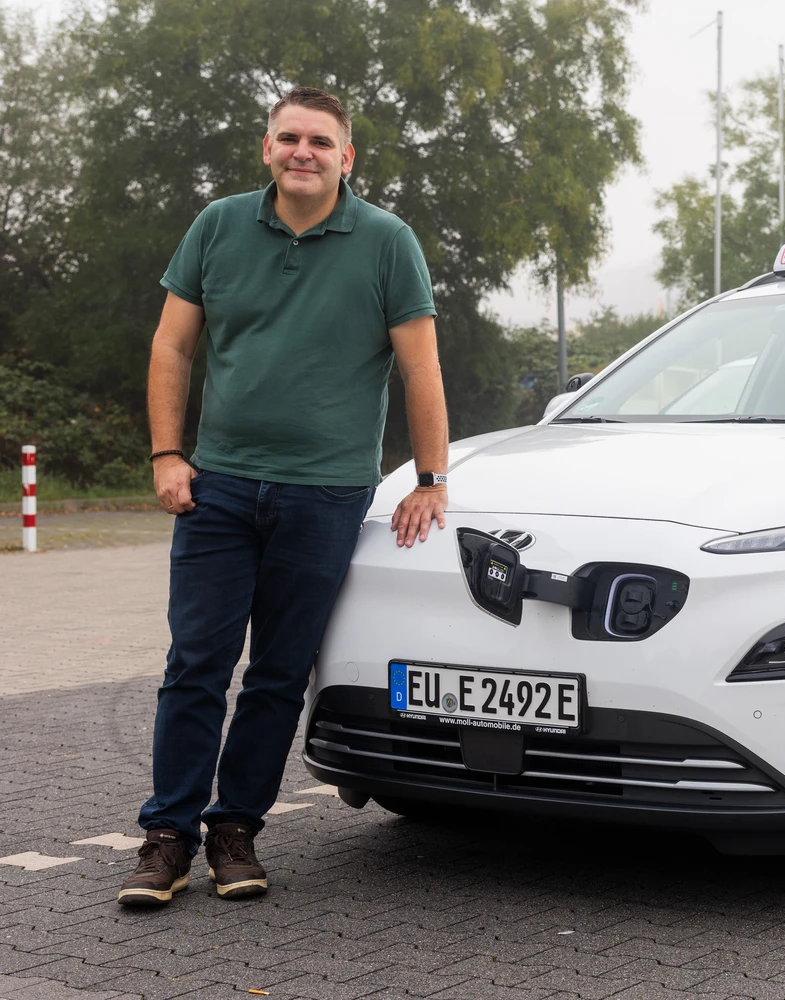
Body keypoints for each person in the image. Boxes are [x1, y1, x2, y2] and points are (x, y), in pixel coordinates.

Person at [118, 86, 449, 906]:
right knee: (195, 663)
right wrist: (167, 454)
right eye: (289, 138)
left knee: (276, 673)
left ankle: (236, 830)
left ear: (348, 156)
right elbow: (171, 344)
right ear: (266, 147)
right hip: (218, 486)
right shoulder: (218, 225)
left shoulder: (386, 241)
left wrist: (432, 478)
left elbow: (420, 367)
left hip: (327, 494)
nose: (305, 152)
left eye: (321, 142)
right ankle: (167, 837)